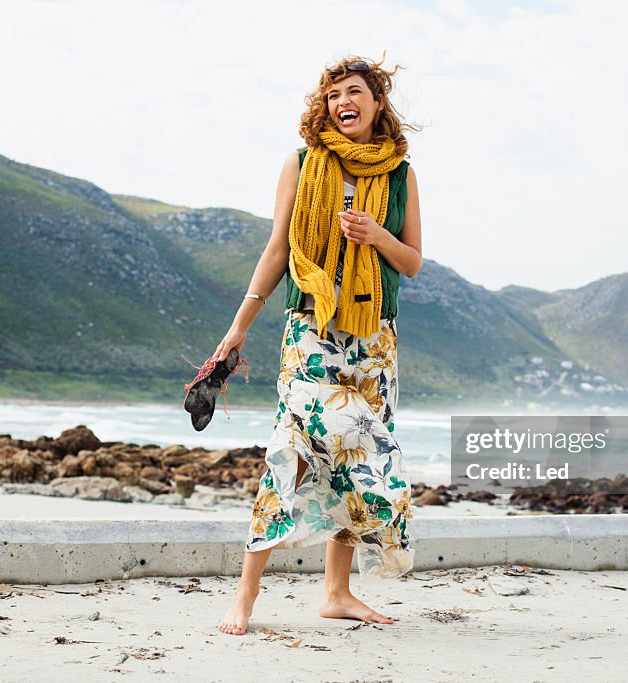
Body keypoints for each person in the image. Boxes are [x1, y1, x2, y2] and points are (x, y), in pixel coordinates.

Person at [214, 54, 423, 636]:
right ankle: (245, 597)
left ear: (378, 103)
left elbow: (412, 263)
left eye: (354, 92)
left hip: (373, 342)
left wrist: (377, 236)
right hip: (310, 333)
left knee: (354, 463)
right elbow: (278, 249)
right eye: (333, 95)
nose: (342, 102)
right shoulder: (302, 164)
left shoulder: (400, 174)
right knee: (294, 452)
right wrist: (239, 326)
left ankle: (337, 592)